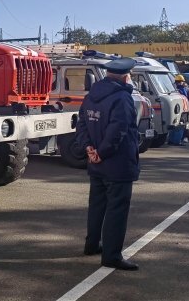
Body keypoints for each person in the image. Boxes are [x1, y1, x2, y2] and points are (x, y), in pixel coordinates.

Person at [75, 57, 141, 271]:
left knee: (97, 205)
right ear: (126, 76)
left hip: (96, 163)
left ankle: (92, 244)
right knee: (116, 210)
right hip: (117, 163)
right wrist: (102, 153)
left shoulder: (92, 95)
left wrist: (89, 149)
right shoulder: (122, 97)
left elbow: (82, 123)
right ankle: (111, 255)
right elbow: (118, 130)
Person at [174, 75, 189, 144]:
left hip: (182, 110)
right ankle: (182, 137)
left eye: (179, 81)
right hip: (183, 110)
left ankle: (183, 137)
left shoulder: (177, 90)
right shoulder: (184, 90)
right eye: (177, 82)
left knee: (183, 124)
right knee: (184, 124)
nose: (178, 83)